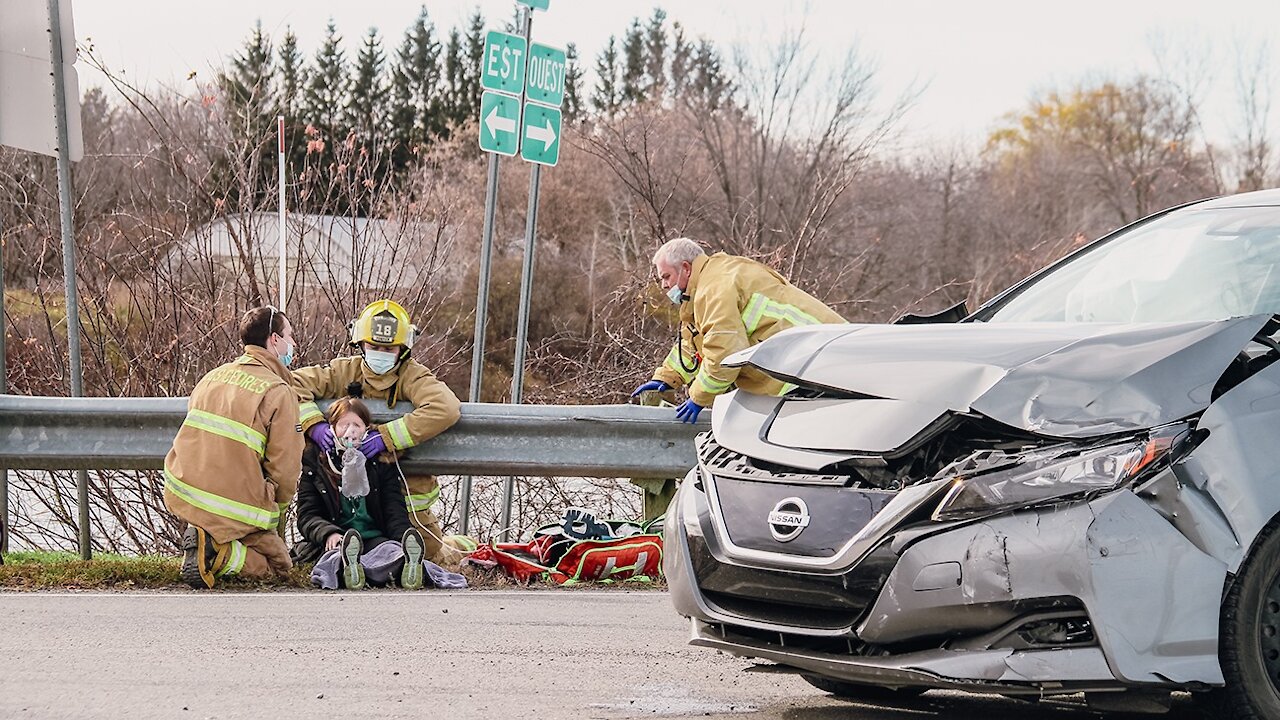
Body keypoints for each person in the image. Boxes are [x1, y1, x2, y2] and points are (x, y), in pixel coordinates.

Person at [292, 299, 473, 566]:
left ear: (402, 349)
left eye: (388, 348)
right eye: (374, 346)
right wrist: (314, 425)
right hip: (350, 499)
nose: (380, 353)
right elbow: (289, 385)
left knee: (430, 556)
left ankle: (461, 546)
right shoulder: (344, 372)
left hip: (403, 495)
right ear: (360, 344)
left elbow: (445, 408)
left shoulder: (413, 376)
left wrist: (386, 437)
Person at [632, 238, 846, 423]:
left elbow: (724, 352)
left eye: (666, 276)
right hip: (814, 360)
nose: (663, 285)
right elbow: (695, 344)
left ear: (686, 268)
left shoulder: (713, 289)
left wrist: (698, 397)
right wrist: (667, 377)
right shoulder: (711, 279)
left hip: (809, 365)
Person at [165, 306, 302, 589]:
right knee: (279, 567)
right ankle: (218, 554)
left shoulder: (212, 377)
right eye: (290, 335)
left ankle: (205, 537)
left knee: (256, 541)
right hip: (234, 503)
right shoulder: (278, 392)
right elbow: (284, 468)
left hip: (185, 491)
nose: (293, 343)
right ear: (274, 340)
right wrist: (275, 509)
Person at [291, 395, 465, 590]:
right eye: (343, 425)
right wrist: (328, 533)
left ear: (366, 429)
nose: (350, 432)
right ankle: (353, 567)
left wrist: (403, 541)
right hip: (338, 539)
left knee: (392, 553)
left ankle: (401, 566)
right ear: (331, 429)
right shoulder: (316, 464)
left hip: (374, 539)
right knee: (332, 560)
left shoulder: (381, 464)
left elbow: (394, 510)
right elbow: (307, 515)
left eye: (357, 425)